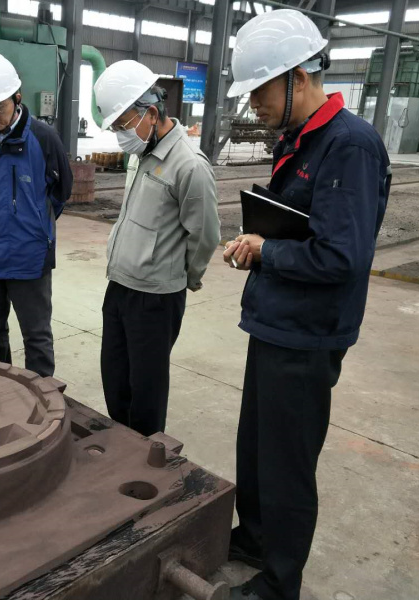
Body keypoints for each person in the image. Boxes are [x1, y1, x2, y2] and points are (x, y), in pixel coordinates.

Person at [221, 10, 391, 600]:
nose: (254, 105)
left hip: (308, 333)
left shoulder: (350, 145)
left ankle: (280, 581)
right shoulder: (300, 139)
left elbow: (342, 256)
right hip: (275, 320)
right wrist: (259, 242)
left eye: (260, 90)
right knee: (256, 446)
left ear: (297, 76)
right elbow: (302, 223)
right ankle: (256, 538)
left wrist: (267, 251)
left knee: (287, 462)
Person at [92, 60, 220, 436]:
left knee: (145, 391)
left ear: (150, 113)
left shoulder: (189, 166)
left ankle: (144, 458)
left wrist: (183, 277)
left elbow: (205, 235)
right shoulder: (142, 152)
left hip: (155, 299)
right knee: (116, 380)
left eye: (122, 125)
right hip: (120, 286)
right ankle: (122, 449)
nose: (120, 135)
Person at [0, 54, 72, 378]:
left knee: (36, 338)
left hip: (28, 259)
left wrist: (33, 226)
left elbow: (61, 192)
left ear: (17, 98)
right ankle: (1, 394)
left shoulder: (43, 138)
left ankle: (43, 400)